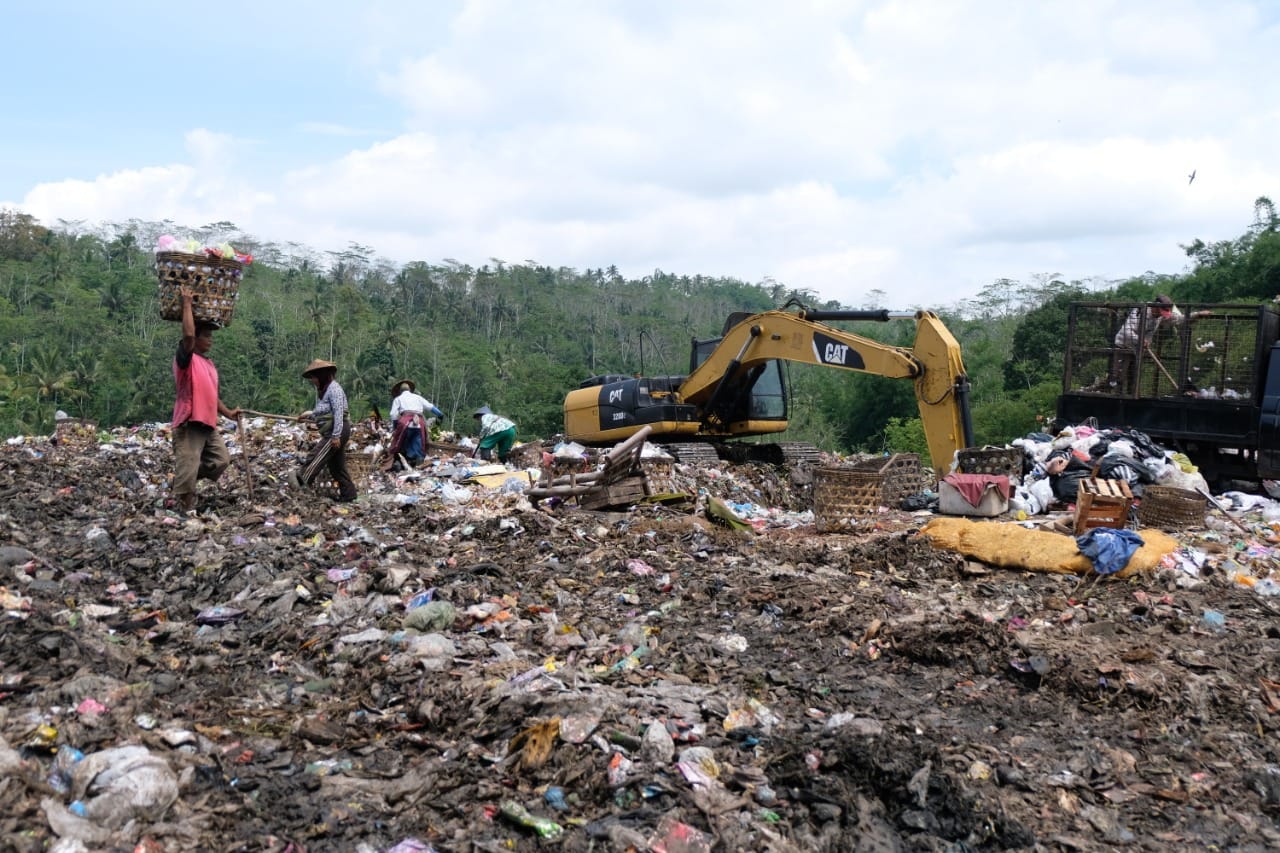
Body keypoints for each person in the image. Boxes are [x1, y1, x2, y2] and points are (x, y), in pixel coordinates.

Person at [171, 285, 241, 513]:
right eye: (207, 336)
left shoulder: (208, 364)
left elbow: (211, 395)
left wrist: (228, 412)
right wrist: (187, 304)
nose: (210, 340)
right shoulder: (186, 359)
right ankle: (184, 509)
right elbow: (188, 335)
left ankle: (183, 480)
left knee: (221, 461)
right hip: (190, 423)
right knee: (189, 465)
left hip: (208, 424)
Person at [1103, 296, 1210, 393]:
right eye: (1162, 311)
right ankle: (1098, 390)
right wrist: (1140, 340)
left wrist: (1198, 314)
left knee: (1134, 379)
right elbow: (1127, 332)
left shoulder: (1160, 316)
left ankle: (1129, 400)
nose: (1162, 314)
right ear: (1155, 307)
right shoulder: (1140, 311)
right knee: (1117, 378)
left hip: (1137, 350)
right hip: (1123, 346)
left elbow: (1179, 319)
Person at [291, 359, 357, 502]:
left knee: (316, 456)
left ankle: (302, 482)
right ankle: (349, 495)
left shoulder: (334, 389)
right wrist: (308, 414)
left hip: (337, 430)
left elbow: (338, 413)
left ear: (322, 376)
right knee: (336, 466)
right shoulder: (325, 391)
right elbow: (322, 411)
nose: (313, 381)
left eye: (314, 377)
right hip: (334, 431)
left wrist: (335, 436)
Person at [385, 379, 443, 470]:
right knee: (418, 444)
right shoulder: (418, 397)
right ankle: (418, 466)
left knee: (399, 443)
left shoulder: (398, 399)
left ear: (400, 391)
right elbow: (430, 407)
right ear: (410, 390)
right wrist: (440, 414)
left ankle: (399, 463)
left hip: (405, 422)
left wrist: (396, 426)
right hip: (419, 422)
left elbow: (393, 414)